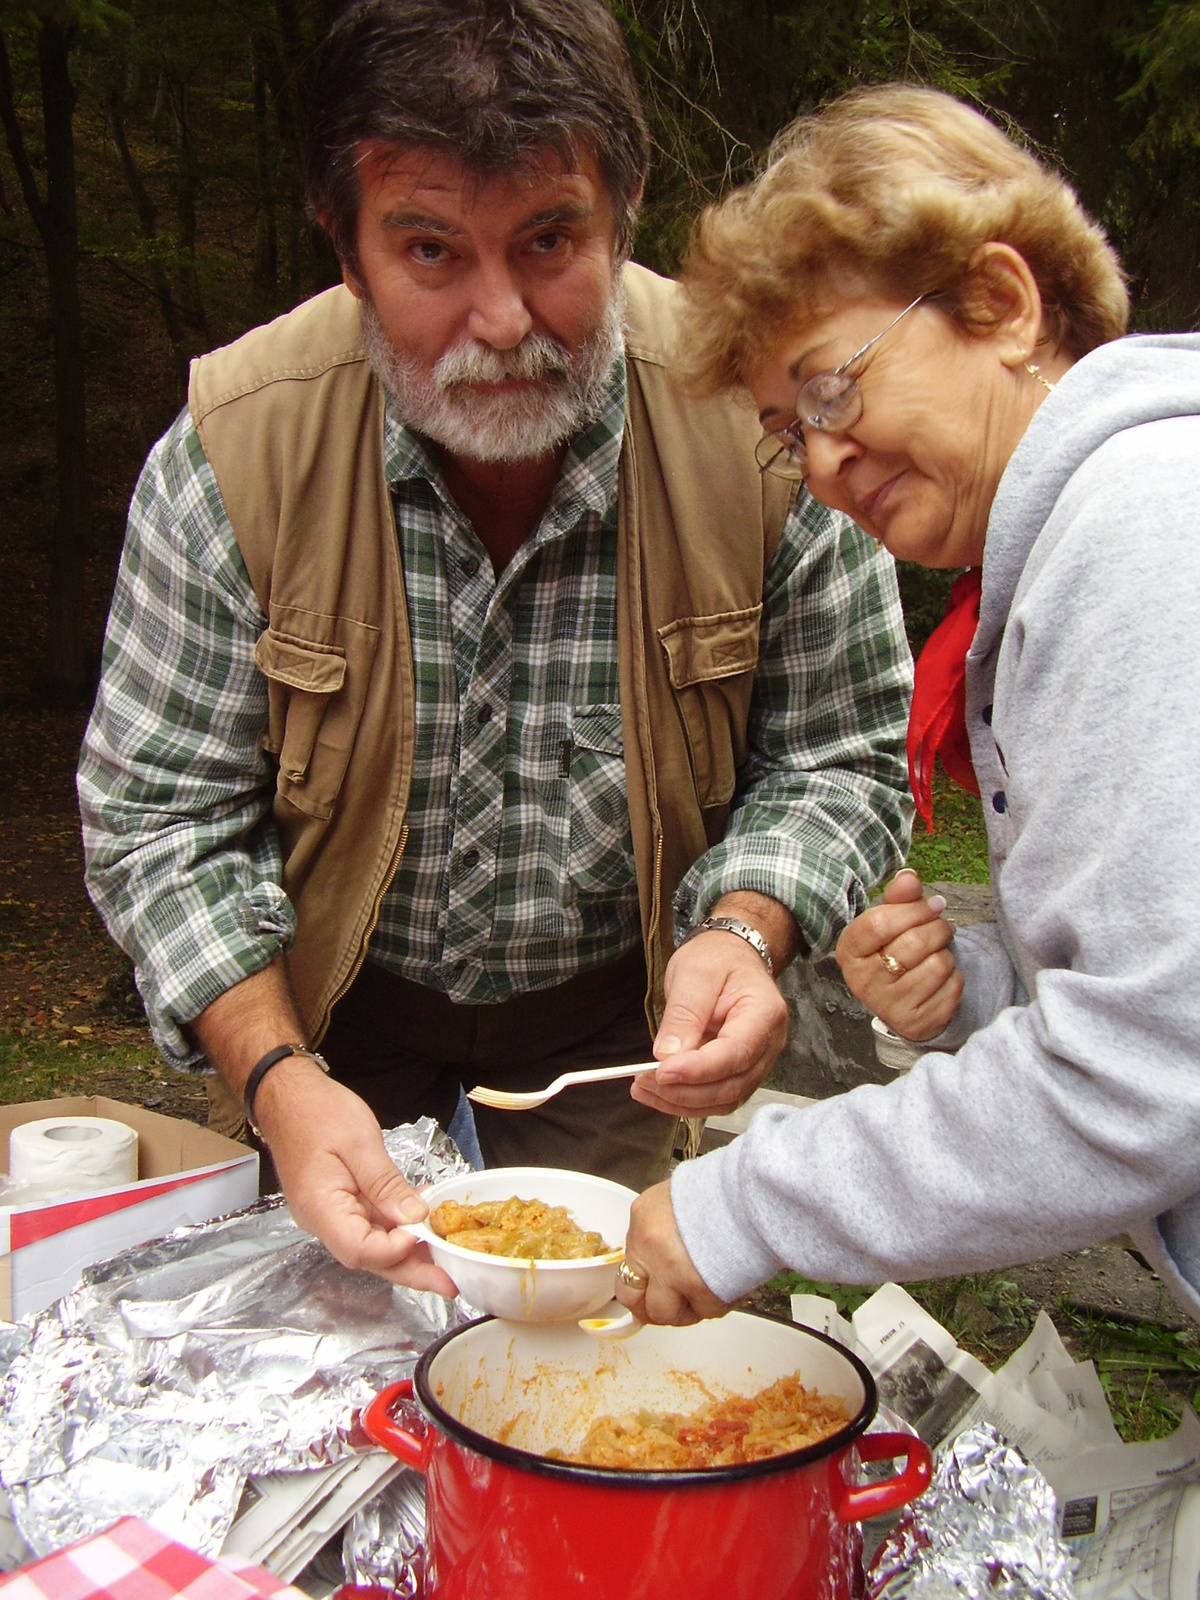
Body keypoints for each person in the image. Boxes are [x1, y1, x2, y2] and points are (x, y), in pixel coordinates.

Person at [77, 0, 914, 1294]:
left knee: (601, 1352)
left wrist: (746, 934)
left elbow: (841, 756)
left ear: (624, 205)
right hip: (324, 1022)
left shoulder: (762, 429)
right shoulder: (231, 458)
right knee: (333, 1375)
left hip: (624, 1025)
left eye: (549, 241)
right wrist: (278, 1076)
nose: (505, 318)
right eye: (429, 251)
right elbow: (160, 824)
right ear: (344, 250)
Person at [616, 82, 1200, 1329]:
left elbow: (1147, 1079)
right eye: (789, 432)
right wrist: (978, 992)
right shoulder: (1082, 535)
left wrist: (741, 1206)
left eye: (831, 393)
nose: (821, 465)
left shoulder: (1142, 524)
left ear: (1000, 303)